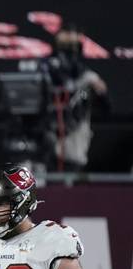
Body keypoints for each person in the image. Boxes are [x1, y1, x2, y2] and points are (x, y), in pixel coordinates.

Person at [40, 28, 110, 172]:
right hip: (45, 149)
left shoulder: (88, 78)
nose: (67, 53)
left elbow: (106, 109)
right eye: (63, 46)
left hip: (73, 149)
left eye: (71, 47)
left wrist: (101, 93)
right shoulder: (44, 73)